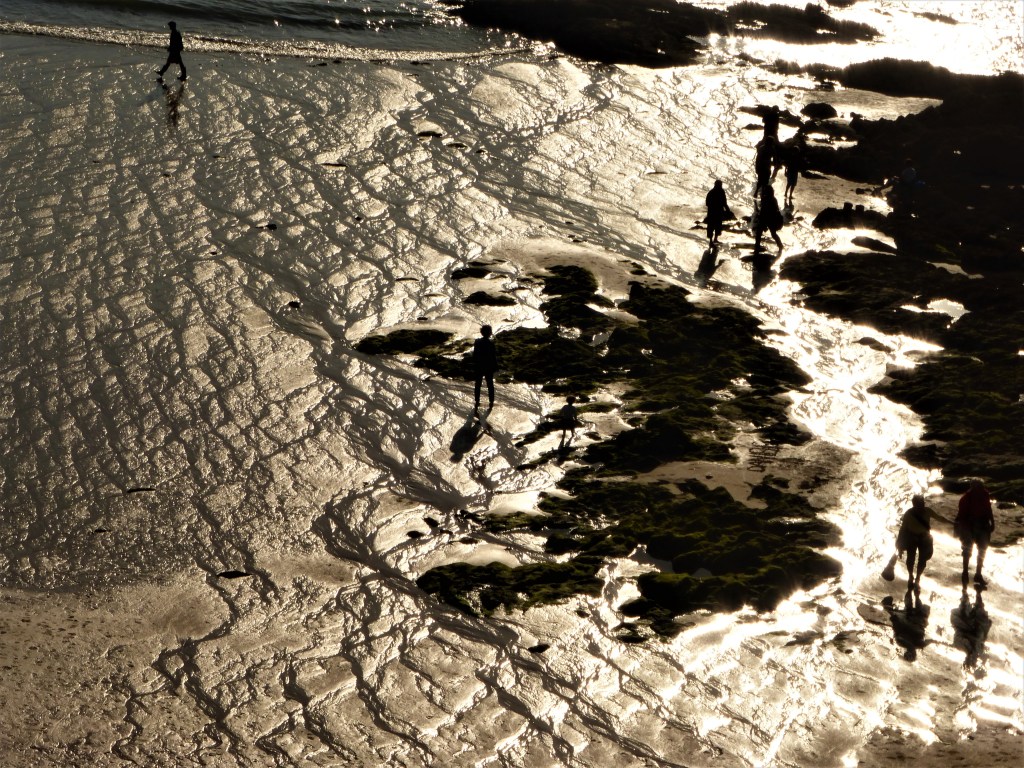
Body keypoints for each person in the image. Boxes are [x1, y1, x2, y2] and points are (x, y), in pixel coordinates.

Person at [889, 494, 947, 589]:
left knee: (922, 560)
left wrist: (952, 523)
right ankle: (911, 575)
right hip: (912, 539)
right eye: (921, 502)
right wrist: (899, 544)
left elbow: (940, 518)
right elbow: (903, 529)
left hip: (924, 539)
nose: (923, 503)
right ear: (915, 504)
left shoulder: (927, 511)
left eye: (923, 502)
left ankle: (918, 577)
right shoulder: (909, 514)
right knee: (911, 560)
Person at [955, 479, 995, 588]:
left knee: (978, 550)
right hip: (971, 527)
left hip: (979, 526)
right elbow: (962, 516)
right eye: (979, 486)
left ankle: (974, 574)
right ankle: (967, 573)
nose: (980, 488)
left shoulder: (983, 495)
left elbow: (988, 509)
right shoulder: (967, 498)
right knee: (971, 550)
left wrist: (992, 522)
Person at [472, 325, 497, 411]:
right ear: (489, 333)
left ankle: (477, 401)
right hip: (488, 366)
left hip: (479, 366)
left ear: (481, 332)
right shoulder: (491, 343)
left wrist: (474, 364)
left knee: (478, 384)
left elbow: (475, 355)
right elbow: (493, 357)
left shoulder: (477, 342)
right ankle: (491, 401)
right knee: (490, 385)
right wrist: (495, 366)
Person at [753, 184, 783, 253]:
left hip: (768, 218)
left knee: (759, 232)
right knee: (773, 234)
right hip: (771, 218)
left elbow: (764, 211)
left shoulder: (767, 199)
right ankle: (780, 245)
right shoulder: (773, 199)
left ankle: (757, 246)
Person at [704, 180, 731, 245]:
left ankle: (714, 239)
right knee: (714, 225)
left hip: (713, 212)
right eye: (720, 185)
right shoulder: (719, 192)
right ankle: (712, 240)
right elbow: (724, 202)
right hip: (716, 212)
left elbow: (707, 203)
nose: (720, 186)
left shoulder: (712, 192)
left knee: (714, 226)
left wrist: (727, 210)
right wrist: (728, 210)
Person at [781, 134, 806, 205]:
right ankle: (788, 194)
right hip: (793, 172)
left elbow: (787, 165)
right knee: (792, 184)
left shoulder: (792, 157)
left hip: (792, 171)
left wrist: (785, 171)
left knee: (791, 183)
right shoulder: (795, 158)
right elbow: (796, 166)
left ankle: (787, 193)